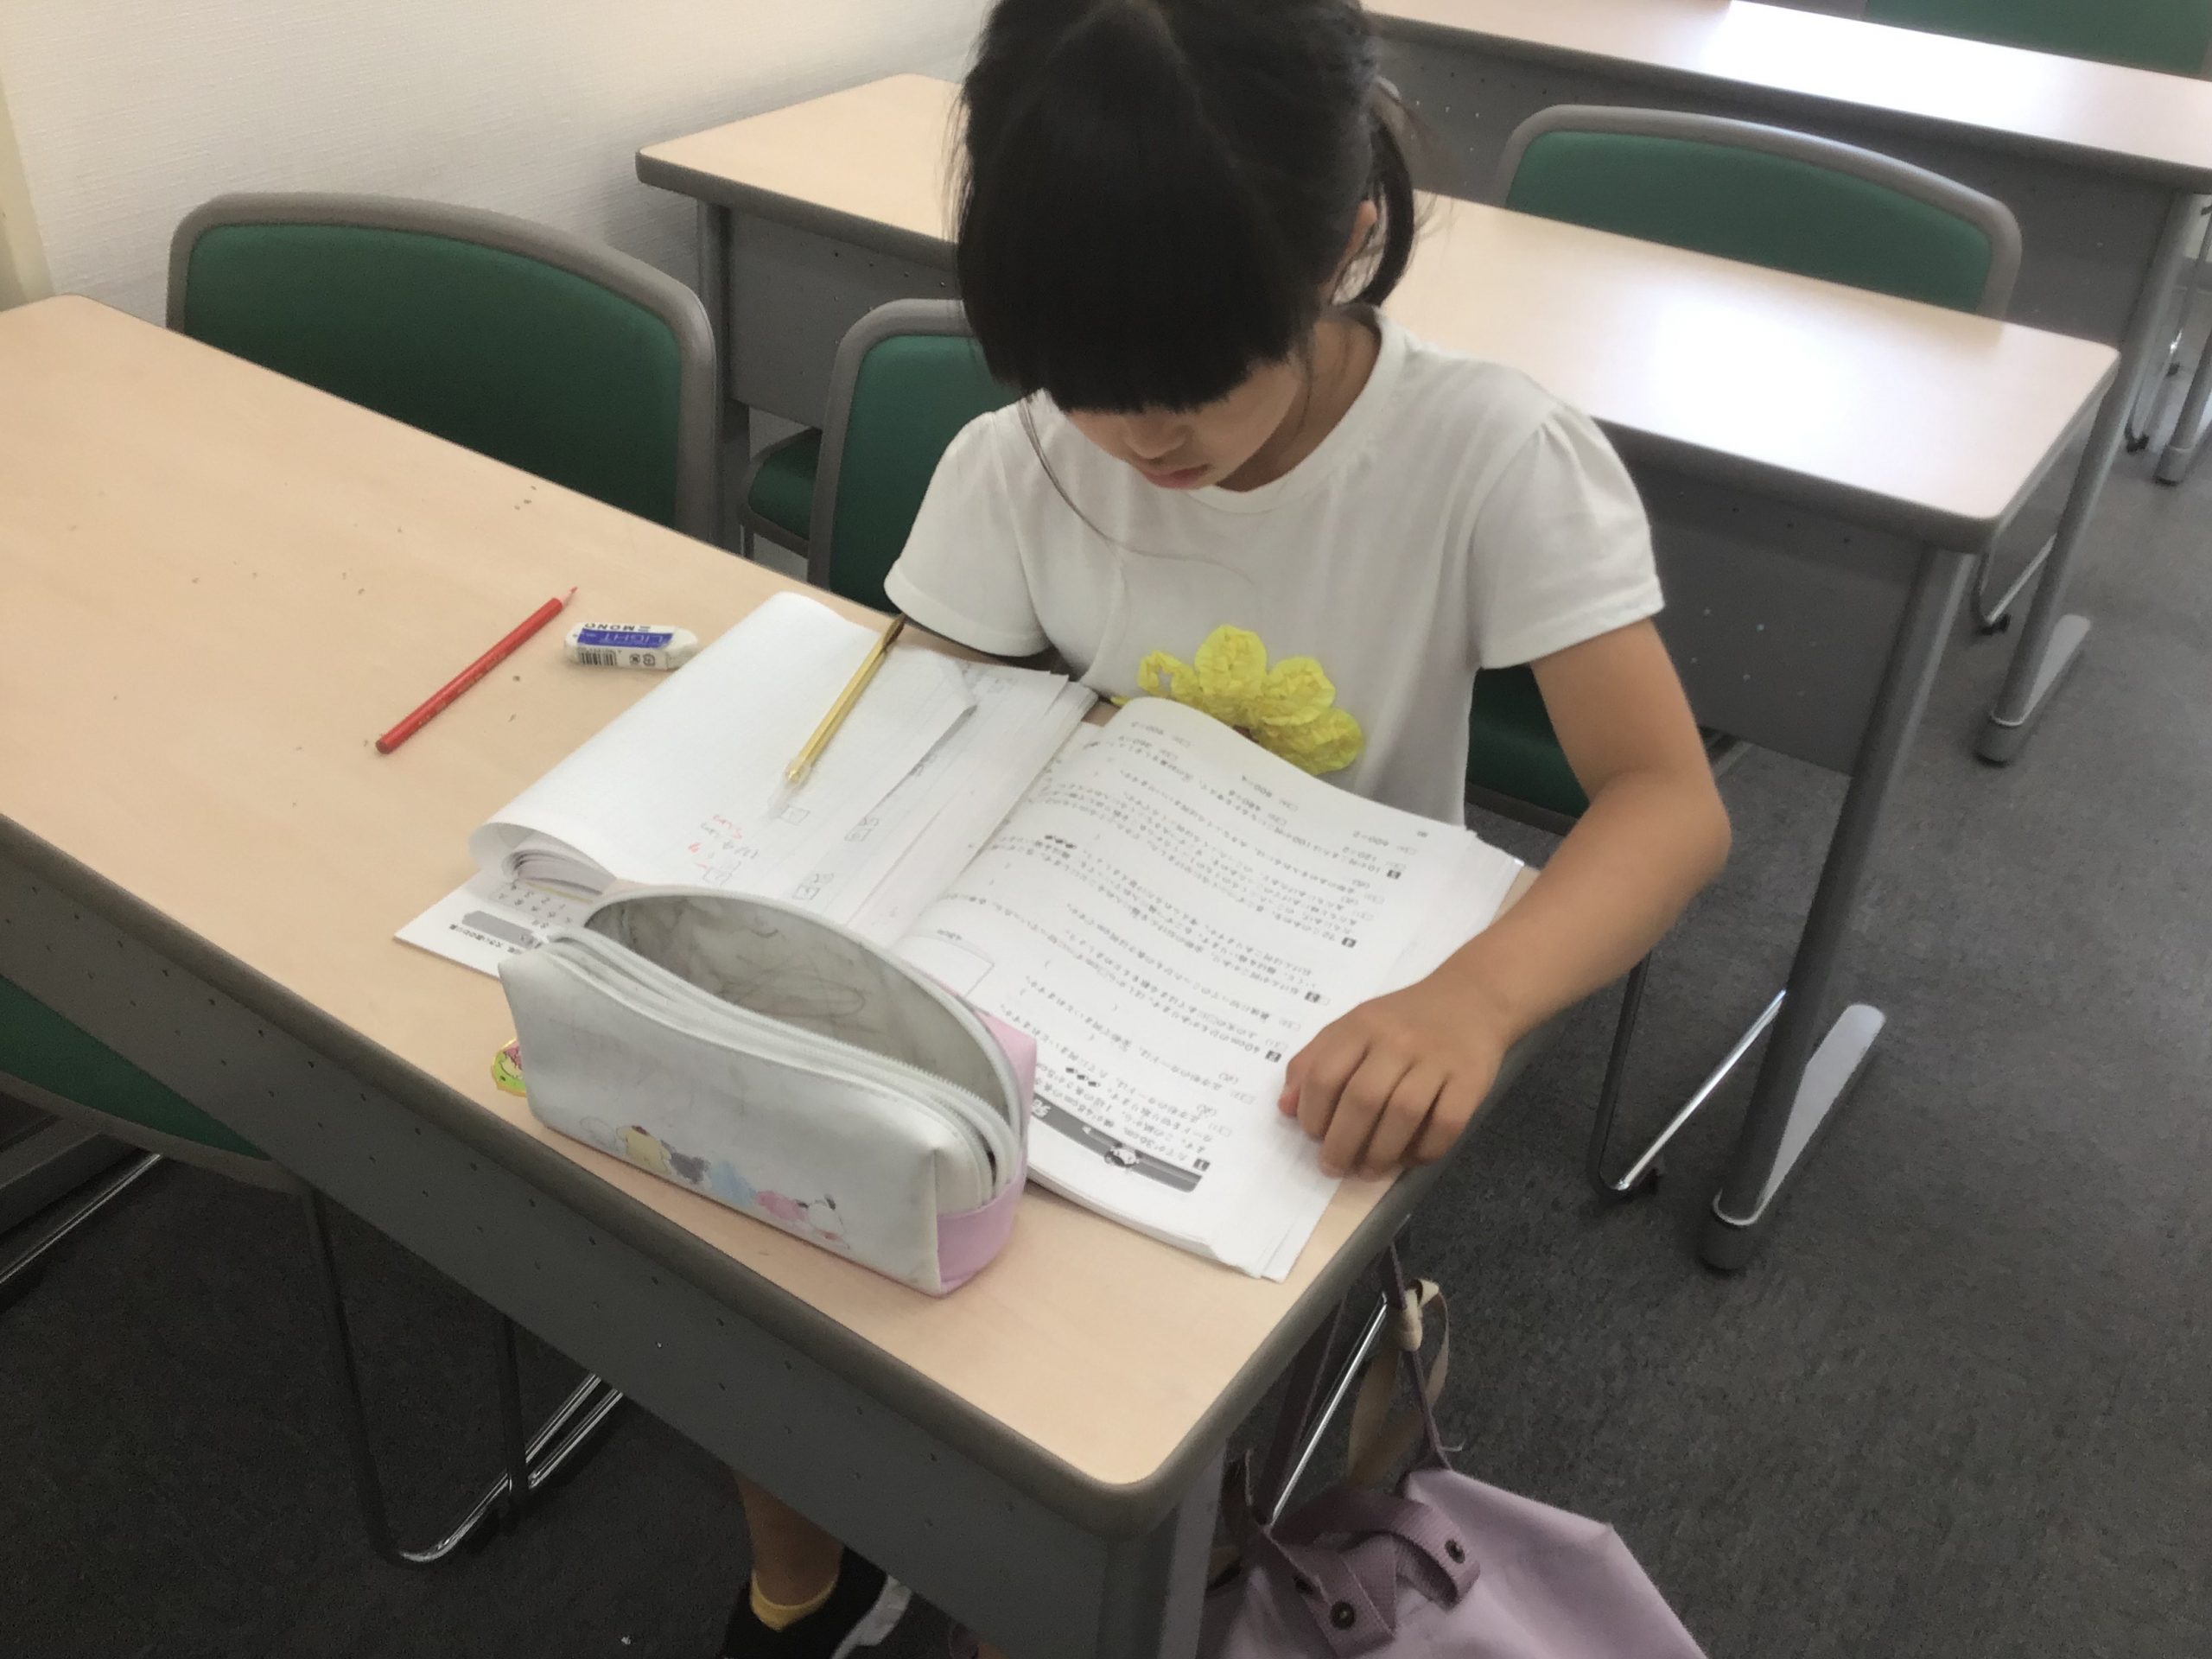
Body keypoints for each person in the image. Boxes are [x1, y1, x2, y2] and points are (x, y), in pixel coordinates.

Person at [722, 1, 1730, 1653]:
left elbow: (1668, 804)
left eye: (1192, 385)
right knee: (760, 1244)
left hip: (1308, 1026)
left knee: (1086, 1420)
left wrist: (1474, 999)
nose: (1141, 440)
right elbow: (935, 732)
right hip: (1061, 970)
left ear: (1345, 245)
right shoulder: (1021, 459)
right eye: (1085, 387)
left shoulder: (1488, 454)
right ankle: (806, 1584)